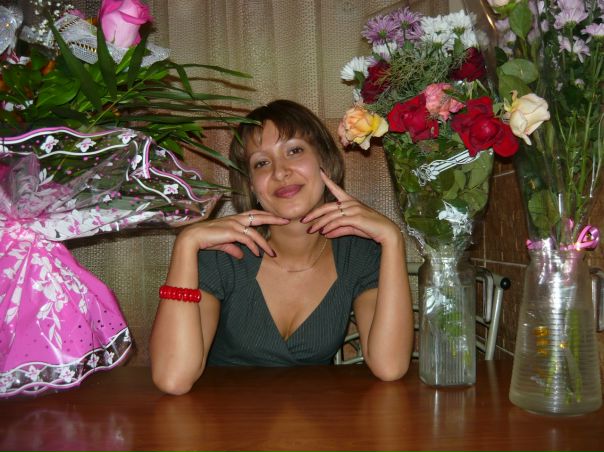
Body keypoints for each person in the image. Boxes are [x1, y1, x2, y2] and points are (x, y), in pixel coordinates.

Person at [149, 99, 414, 395]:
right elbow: (173, 378)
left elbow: (390, 366)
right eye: (261, 163)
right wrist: (186, 244)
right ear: (251, 185)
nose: (280, 172)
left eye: (294, 151)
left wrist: (393, 240)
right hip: (222, 417)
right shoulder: (224, 255)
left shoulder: (359, 254)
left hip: (317, 420)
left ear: (325, 161)